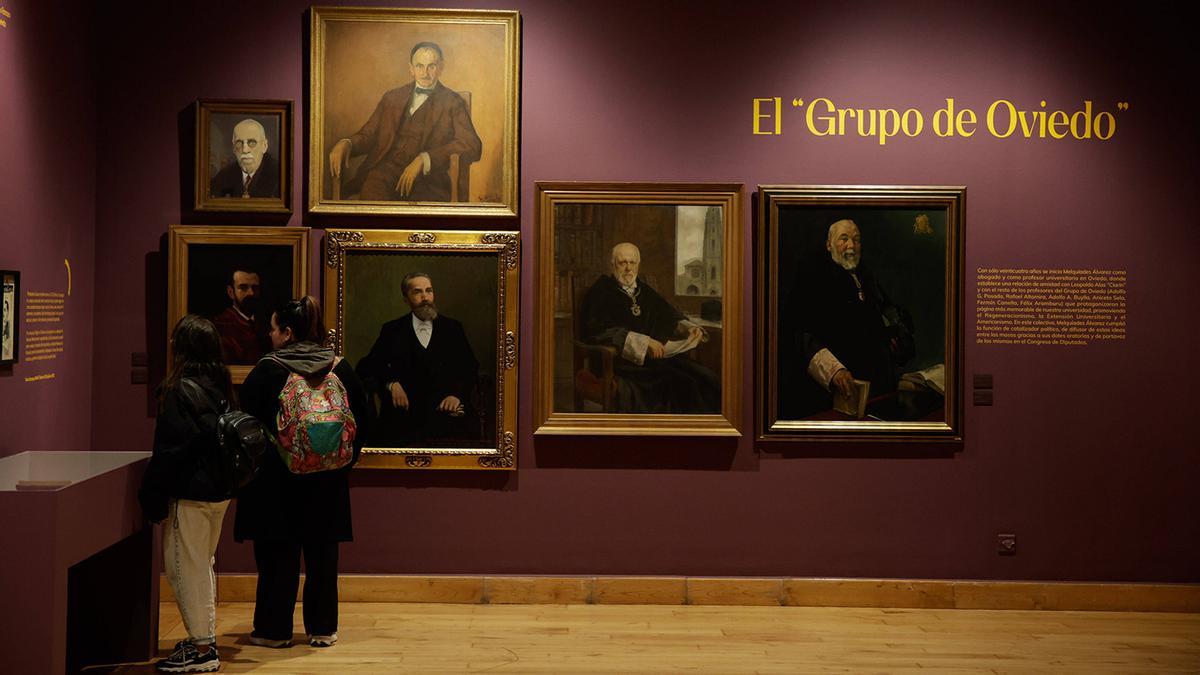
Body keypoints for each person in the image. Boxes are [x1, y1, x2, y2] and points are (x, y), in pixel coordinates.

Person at [234, 296, 369, 649]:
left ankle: (273, 630)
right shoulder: (340, 366)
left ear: (288, 332)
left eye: (274, 327)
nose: (270, 333)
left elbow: (243, 424)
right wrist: (337, 463)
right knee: (323, 557)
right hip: (328, 483)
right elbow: (365, 420)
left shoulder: (269, 369)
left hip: (277, 482)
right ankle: (322, 629)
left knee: (278, 557)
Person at [138, 314, 235, 673]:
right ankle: (202, 637)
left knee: (185, 569)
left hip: (192, 492)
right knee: (203, 565)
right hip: (220, 489)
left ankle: (202, 649)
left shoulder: (178, 390)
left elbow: (170, 452)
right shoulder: (221, 383)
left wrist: (151, 495)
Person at [787, 219, 914, 418]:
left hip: (877, 388)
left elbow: (889, 318)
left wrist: (898, 341)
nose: (851, 246)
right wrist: (834, 371)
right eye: (843, 239)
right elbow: (801, 334)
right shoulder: (814, 277)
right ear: (829, 245)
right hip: (836, 394)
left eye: (856, 240)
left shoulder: (867, 276)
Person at [328, 41, 482, 202]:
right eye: (419, 66)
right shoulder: (392, 97)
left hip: (428, 181)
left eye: (432, 66)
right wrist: (346, 143)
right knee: (373, 198)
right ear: (411, 69)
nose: (425, 73)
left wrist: (425, 159)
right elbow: (368, 135)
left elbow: (472, 145)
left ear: (441, 68)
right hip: (385, 173)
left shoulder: (452, 102)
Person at [579, 242, 720, 413]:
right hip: (621, 363)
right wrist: (643, 343)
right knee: (681, 383)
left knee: (705, 378)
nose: (628, 268)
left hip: (655, 360)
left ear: (638, 264)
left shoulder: (644, 290)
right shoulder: (600, 292)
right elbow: (596, 332)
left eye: (632, 263)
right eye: (622, 263)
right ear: (612, 265)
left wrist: (688, 328)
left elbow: (668, 315)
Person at [356, 272, 480, 446]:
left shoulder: (452, 328)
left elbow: (469, 367)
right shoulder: (392, 330)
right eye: (417, 292)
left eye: (429, 291)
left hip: (444, 412)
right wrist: (391, 383)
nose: (425, 297)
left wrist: (456, 395)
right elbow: (366, 366)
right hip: (404, 415)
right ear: (406, 298)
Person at [210, 118, 280, 199]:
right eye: (239, 143)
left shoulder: (279, 176)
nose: (245, 150)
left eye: (252, 142)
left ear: (264, 146)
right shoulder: (222, 178)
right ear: (234, 148)